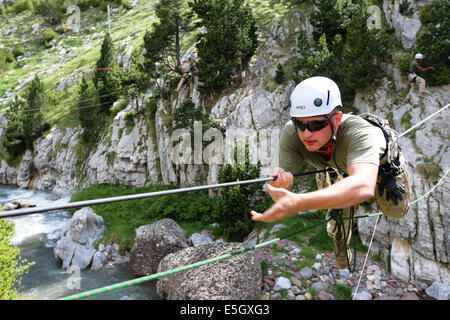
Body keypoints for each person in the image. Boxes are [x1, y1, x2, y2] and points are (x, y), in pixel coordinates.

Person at [250, 76, 410, 269]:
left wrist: (299, 202)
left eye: (317, 125)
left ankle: (342, 209)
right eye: (300, 124)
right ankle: (340, 236)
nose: (307, 133)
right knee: (335, 212)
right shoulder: (292, 134)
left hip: (381, 170)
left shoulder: (360, 134)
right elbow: (282, 175)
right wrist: (280, 181)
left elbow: (362, 185)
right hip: (332, 169)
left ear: (337, 119)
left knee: (396, 212)